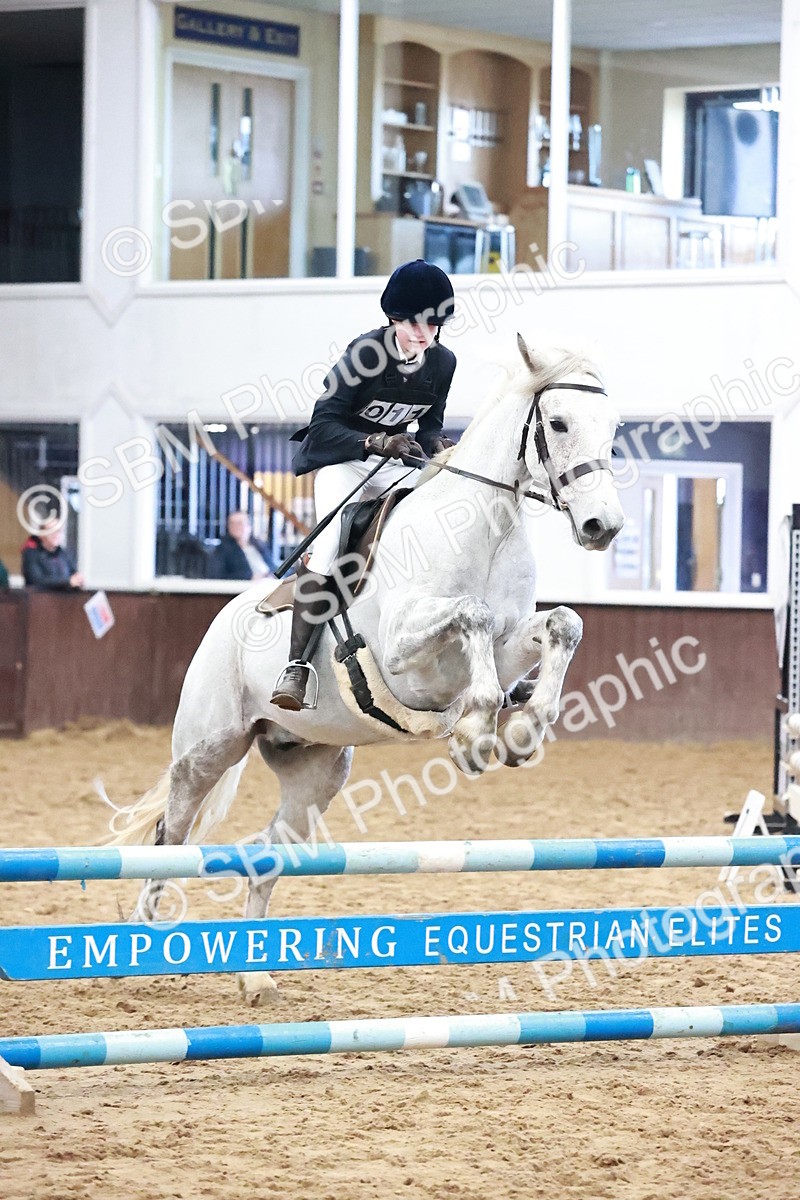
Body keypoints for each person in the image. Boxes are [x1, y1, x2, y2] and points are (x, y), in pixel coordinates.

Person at [271, 258, 457, 711]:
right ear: (394, 317)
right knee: (332, 544)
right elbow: (323, 425)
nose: (423, 332)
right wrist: (376, 440)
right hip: (345, 462)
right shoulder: (363, 356)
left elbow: (429, 427)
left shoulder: (443, 363)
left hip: (396, 461)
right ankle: (296, 666)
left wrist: (443, 447)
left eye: (433, 323)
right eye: (414, 322)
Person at [212, 510, 276, 581]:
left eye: (239, 523)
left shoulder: (259, 545)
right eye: (232, 523)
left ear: (249, 526)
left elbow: (272, 567)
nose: (235, 526)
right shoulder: (223, 549)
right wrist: (249, 577)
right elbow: (219, 575)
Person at [22, 519, 84, 590]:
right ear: (41, 534)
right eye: (51, 530)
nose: (55, 534)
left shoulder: (65, 555)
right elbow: (36, 580)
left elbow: (74, 575)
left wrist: (78, 581)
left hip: (66, 599)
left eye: (58, 531)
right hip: (40, 599)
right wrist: (67, 582)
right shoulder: (31, 554)